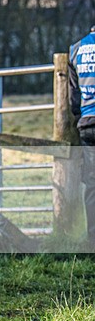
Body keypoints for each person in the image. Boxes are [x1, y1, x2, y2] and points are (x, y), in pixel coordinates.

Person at [69, 26, 95, 246]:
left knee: (92, 185)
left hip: (87, 124)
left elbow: (73, 96)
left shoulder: (76, 49)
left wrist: (81, 115)